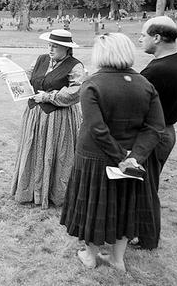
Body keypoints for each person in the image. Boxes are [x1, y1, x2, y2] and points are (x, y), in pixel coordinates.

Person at [60, 33, 165, 272]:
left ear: (102, 54)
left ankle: (90, 256)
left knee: (94, 207)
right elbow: (155, 127)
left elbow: (96, 129)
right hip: (131, 159)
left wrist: (123, 158)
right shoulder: (145, 84)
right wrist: (133, 157)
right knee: (125, 206)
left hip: (97, 158)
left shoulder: (93, 83)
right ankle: (117, 260)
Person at [133, 16, 177, 249]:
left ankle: (147, 239)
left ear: (156, 38)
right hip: (166, 131)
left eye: (143, 34)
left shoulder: (159, 70)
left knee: (146, 187)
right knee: (147, 184)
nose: (140, 38)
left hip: (155, 135)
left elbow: (135, 101)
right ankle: (139, 231)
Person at [10, 30, 84, 208]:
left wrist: (48, 97)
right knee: (32, 149)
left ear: (66, 48)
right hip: (35, 115)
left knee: (55, 153)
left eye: (55, 46)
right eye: (49, 45)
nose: (50, 49)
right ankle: (31, 191)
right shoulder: (41, 59)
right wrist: (11, 78)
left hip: (57, 118)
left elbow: (75, 93)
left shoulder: (75, 66)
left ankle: (54, 193)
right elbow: (28, 78)